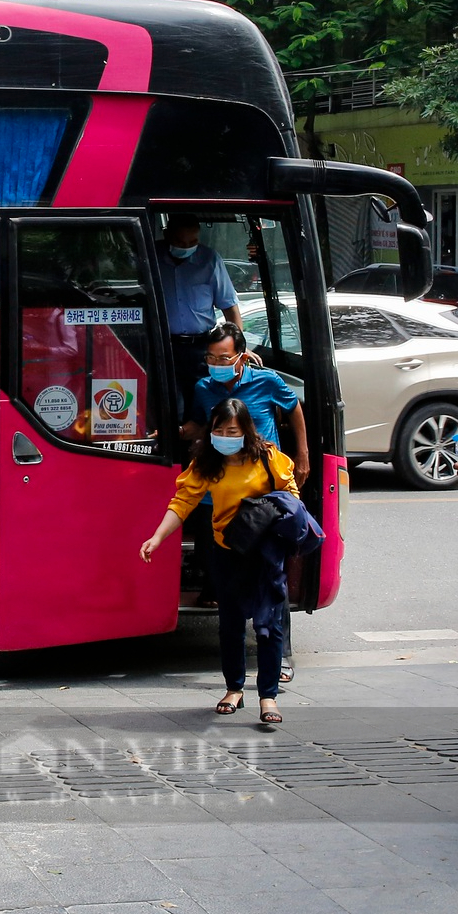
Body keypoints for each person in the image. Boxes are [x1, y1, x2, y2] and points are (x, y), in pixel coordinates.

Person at [141, 398, 296, 726]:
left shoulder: (267, 457)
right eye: (219, 430)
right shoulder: (207, 462)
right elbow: (183, 501)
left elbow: (290, 492)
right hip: (227, 551)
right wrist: (157, 537)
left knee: (269, 625)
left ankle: (268, 695)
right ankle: (234, 689)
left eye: (232, 431)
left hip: (266, 553)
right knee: (231, 625)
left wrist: (270, 516)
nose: (225, 436)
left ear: (246, 431)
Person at [184, 322, 309, 682]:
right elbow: (200, 424)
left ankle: (281, 657)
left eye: (223, 357)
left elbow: (294, 408)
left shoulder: (266, 380)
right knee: (226, 579)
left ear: (240, 356)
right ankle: (235, 674)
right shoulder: (203, 387)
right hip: (218, 496)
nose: (216, 363)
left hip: (262, 500)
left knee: (272, 580)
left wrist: (302, 454)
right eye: (210, 356)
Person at [158, 214, 241, 425]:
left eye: (193, 242)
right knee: (171, 408)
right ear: (167, 235)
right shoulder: (152, 257)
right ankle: (176, 455)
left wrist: (238, 349)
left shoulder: (209, 260)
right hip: (164, 346)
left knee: (206, 406)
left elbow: (230, 308)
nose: (187, 247)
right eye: (180, 242)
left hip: (202, 347)